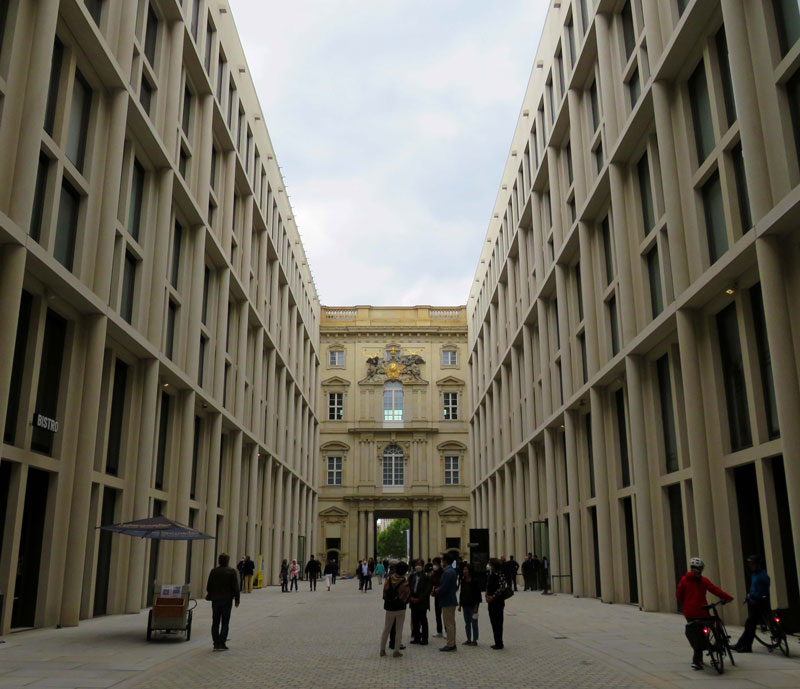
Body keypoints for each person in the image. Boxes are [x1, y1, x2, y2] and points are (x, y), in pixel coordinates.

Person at [676, 556, 733, 670]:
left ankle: (697, 660)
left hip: (690, 613)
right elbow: (715, 590)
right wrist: (728, 597)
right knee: (710, 628)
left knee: (697, 635)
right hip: (702, 611)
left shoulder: (684, 580)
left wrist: (686, 604)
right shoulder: (703, 580)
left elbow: (679, 595)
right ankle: (713, 647)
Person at [732, 555, 771, 653]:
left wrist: (751, 595)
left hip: (759, 602)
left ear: (758, 565)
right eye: (750, 564)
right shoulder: (754, 575)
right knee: (750, 625)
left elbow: (763, 593)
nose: (751, 566)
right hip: (753, 602)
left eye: (752, 564)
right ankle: (742, 644)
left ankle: (744, 645)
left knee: (750, 625)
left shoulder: (762, 577)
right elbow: (754, 588)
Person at [206, 552, 240, 651]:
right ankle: (222, 642)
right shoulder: (231, 571)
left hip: (216, 600)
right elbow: (235, 587)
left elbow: (208, 586)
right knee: (225, 622)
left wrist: (213, 593)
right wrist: (237, 599)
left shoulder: (214, 571)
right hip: (227, 600)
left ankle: (216, 643)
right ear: (227, 561)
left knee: (215, 622)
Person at [380, 561, 410, 658]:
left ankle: (382, 650)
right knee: (399, 630)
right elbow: (406, 595)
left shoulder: (388, 579)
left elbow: (384, 592)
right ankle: (396, 651)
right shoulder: (405, 582)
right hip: (400, 607)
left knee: (386, 628)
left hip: (389, 607)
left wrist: (388, 599)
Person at [485, 557, 508, 650]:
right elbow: (488, 587)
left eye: (489, 564)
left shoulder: (500, 575)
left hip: (497, 602)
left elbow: (502, 588)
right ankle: (496, 641)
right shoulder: (491, 574)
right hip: (491, 602)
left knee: (498, 622)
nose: (488, 566)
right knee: (493, 622)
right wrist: (487, 596)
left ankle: (499, 642)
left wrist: (493, 596)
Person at [408, 558, 432, 645]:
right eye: (416, 564)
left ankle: (424, 638)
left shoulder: (426, 577)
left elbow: (427, 590)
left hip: (422, 602)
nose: (417, 566)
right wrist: (411, 597)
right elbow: (409, 587)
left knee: (423, 620)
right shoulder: (412, 576)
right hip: (413, 601)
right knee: (414, 620)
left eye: (419, 564)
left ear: (422, 566)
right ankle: (417, 637)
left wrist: (419, 598)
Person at [437, 552, 458, 652]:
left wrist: (437, 591)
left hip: (447, 600)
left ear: (445, 561)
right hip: (451, 600)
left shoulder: (447, 572)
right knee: (451, 623)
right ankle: (452, 642)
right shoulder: (452, 571)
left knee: (448, 623)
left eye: (442, 560)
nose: (441, 562)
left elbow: (444, 587)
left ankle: (450, 644)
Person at [458, 562, 482, 646]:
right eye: (464, 569)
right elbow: (461, 593)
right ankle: (468, 639)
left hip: (473, 605)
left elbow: (478, 595)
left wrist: (476, 606)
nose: (464, 571)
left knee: (474, 623)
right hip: (465, 605)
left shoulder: (475, 581)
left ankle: (475, 640)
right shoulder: (463, 580)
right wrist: (460, 605)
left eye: (465, 569)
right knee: (467, 623)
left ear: (469, 570)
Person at [430, 557, 444, 637]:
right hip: (437, 595)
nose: (434, 566)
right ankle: (439, 630)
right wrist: (431, 591)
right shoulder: (433, 573)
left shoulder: (444, 572)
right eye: (433, 564)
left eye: (435, 564)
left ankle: (446, 630)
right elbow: (431, 583)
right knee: (437, 613)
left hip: (443, 595)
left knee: (445, 614)